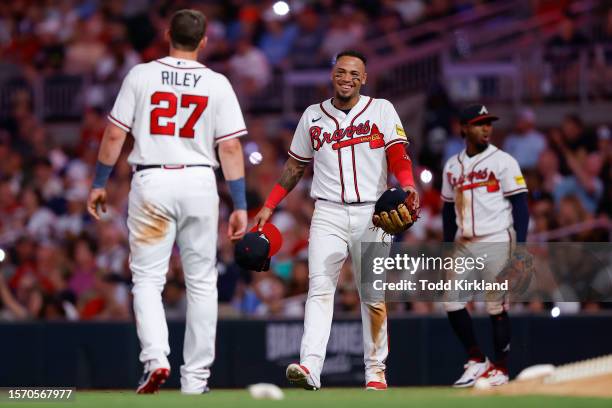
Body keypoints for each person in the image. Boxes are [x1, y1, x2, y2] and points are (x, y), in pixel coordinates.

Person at [86, 9, 248, 395]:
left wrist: (99, 182)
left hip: (153, 178)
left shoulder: (141, 74)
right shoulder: (217, 83)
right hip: (198, 179)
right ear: (204, 40)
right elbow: (229, 145)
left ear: (167, 34)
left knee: (146, 280)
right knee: (202, 284)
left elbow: (113, 136)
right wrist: (240, 203)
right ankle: (195, 380)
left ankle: (156, 359)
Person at [254, 50, 418, 391]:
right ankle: (310, 367)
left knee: (371, 294)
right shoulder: (313, 116)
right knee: (319, 288)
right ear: (333, 75)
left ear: (365, 78)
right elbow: (295, 167)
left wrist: (409, 185)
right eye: (341, 71)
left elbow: (397, 153)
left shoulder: (382, 109)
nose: (347, 78)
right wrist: (270, 205)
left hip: (373, 213)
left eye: (354, 73)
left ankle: (376, 372)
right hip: (327, 211)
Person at [441, 105, 529, 387]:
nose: (486, 128)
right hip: (464, 242)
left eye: (488, 123)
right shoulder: (452, 166)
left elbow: (520, 205)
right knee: (451, 300)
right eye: (479, 123)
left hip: (497, 238)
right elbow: (446, 209)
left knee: (495, 305)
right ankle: (477, 359)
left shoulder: (503, 161)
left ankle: (501, 369)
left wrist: (521, 249)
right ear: (464, 128)